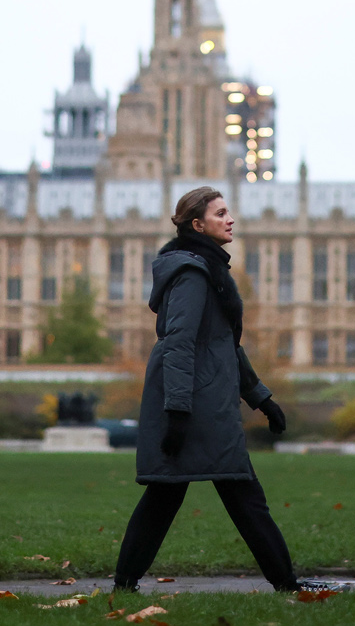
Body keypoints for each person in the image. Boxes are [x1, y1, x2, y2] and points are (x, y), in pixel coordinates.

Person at [113, 187, 298, 594]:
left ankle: (124, 583)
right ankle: (288, 585)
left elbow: (221, 346)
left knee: (170, 499)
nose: (230, 219)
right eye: (221, 213)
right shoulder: (193, 274)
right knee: (243, 498)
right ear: (198, 225)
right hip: (198, 408)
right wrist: (177, 412)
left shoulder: (209, 270)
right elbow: (179, 343)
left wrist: (261, 397)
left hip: (203, 403)